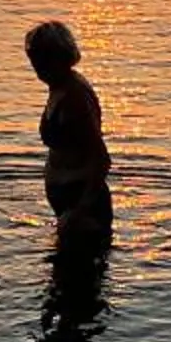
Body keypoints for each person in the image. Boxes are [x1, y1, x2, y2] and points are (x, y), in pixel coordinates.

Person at [25, 20, 111, 238]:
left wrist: (79, 211)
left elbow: (100, 158)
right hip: (67, 202)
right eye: (34, 59)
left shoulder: (75, 96)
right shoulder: (58, 87)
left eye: (41, 59)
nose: (36, 67)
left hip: (82, 206)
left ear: (58, 58)